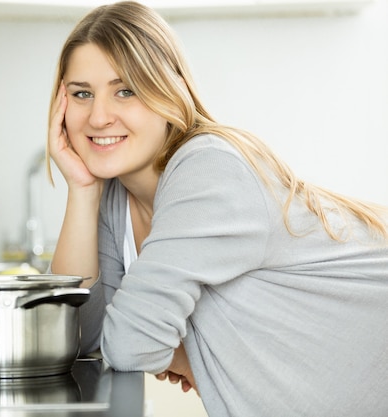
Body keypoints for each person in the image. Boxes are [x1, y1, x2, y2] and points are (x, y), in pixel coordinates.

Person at [45, 1, 388, 416]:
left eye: (126, 90)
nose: (98, 117)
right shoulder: (117, 198)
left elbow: (131, 344)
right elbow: (75, 341)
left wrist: (174, 349)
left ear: (168, 91)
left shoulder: (208, 168)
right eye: (82, 94)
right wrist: (81, 190)